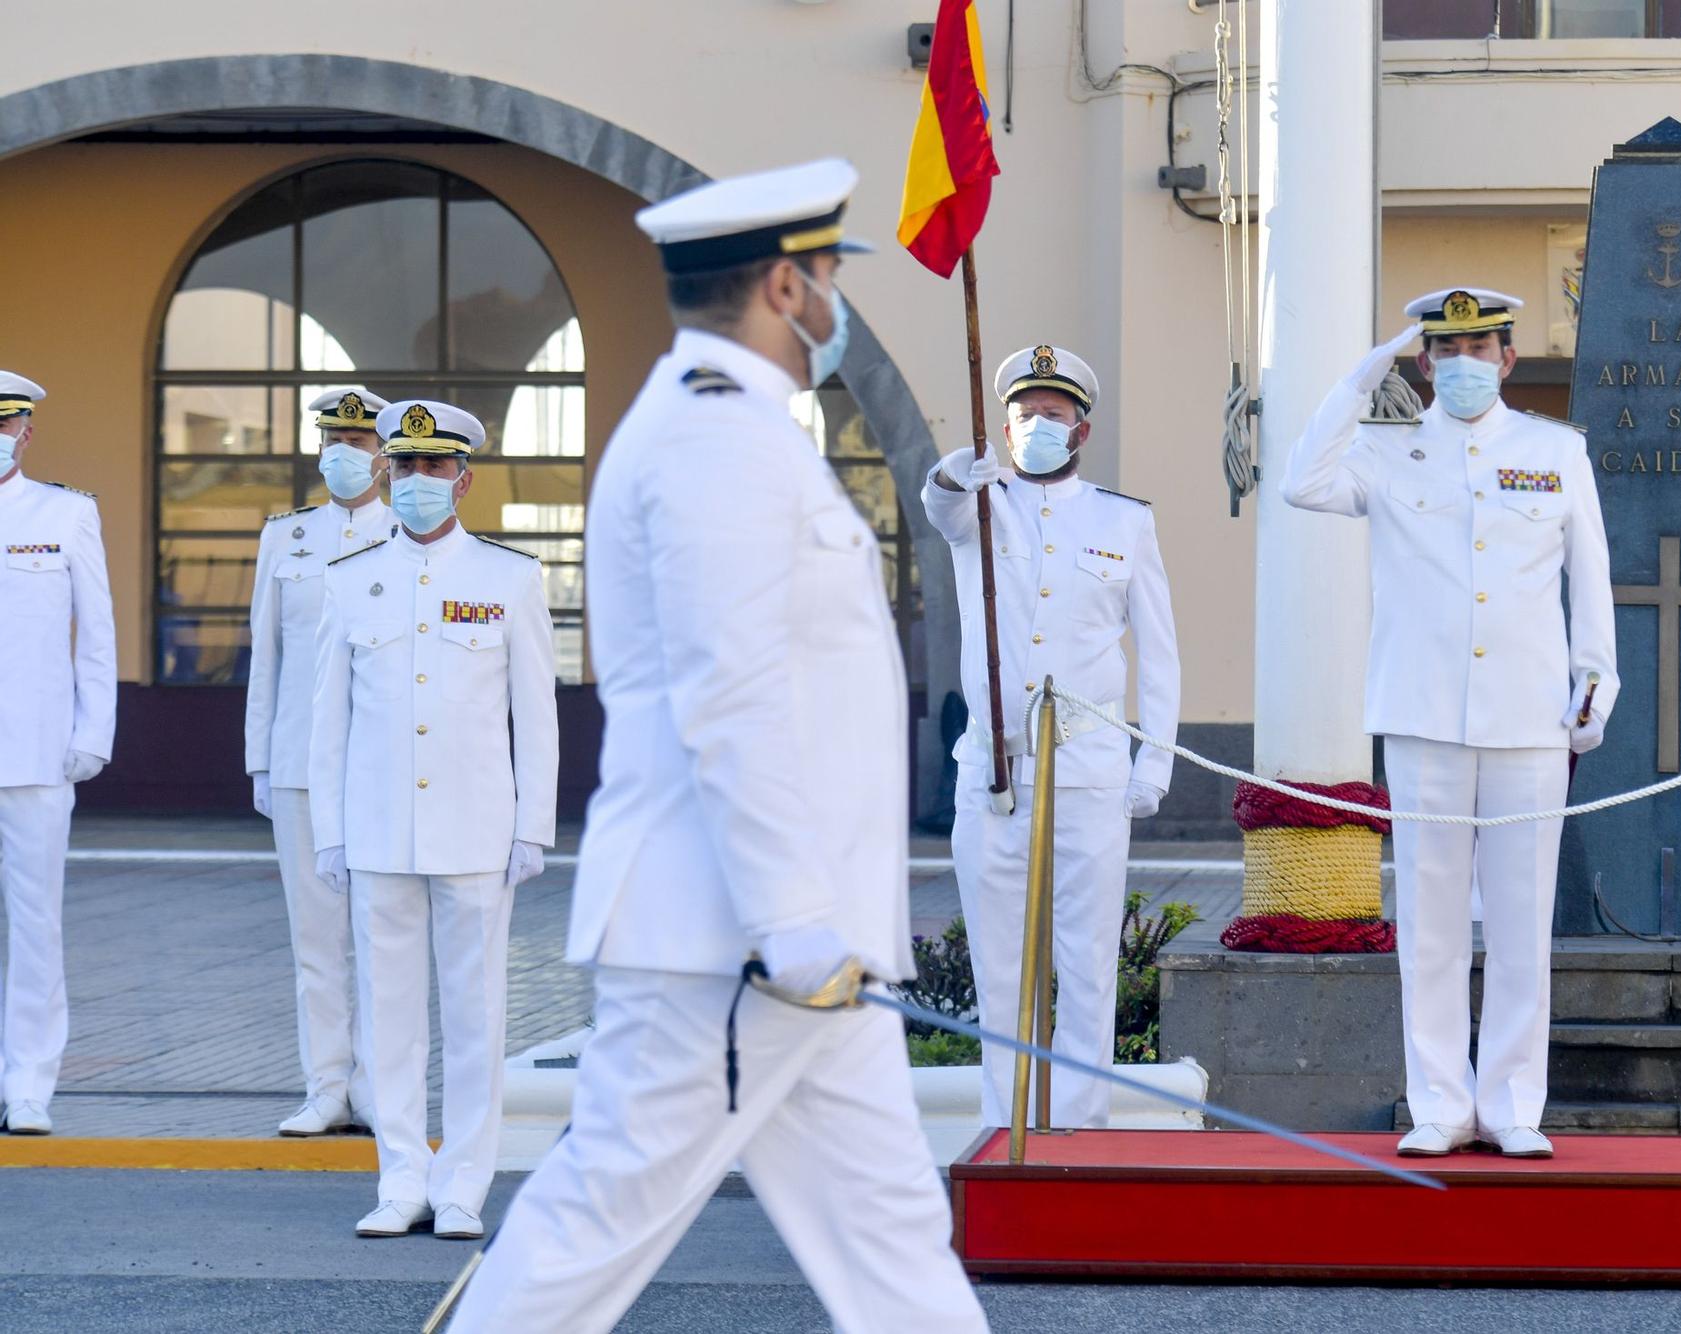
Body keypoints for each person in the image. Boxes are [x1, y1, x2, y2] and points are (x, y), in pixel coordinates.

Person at [444, 158, 986, 1333]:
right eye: (832, 273)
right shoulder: (715, 438)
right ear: (787, 287)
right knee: (598, 1215)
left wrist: (818, 923)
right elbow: (730, 693)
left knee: (890, 1231)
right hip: (734, 939)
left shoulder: (739, 428)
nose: (841, 300)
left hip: (791, 940)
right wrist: (790, 919)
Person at [1280, 288, 1618, 1159]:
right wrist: (1361, 377)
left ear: (1509, 358)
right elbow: (1300, 482)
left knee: (1518, 925)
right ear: (1423, 361)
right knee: (1428, 924)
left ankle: (1512, 1106)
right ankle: (1439, 1103)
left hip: (1527, 716)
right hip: (1423, 714)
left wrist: (1596, 681)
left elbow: (1591, 575)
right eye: (1447, 348)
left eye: (1481, 347)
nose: (1465, 363)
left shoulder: (1556, 450)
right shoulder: (1387, 453)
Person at [309, 398, 558, 1238]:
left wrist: (534, 827)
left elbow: (538, 715)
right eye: (405, 466)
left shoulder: (509, 577)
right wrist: (331, 833)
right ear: (389, 471)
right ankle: (402, 1181)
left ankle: (463, 1188)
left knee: (475, 1014)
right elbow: (327, 721)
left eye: (434, 466)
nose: (418, 480)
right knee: (389, 1022)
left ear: (465, 478)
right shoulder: (347, 582)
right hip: (379, 832)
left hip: (476, 831)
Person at [924, 344, 1180, 1129]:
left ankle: (1077, 1127)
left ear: (1083, 430)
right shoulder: (979, 505)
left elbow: (1159, 649)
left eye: (1054, 415)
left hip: (1090, 768)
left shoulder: (1123, 520)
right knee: (1001, 968)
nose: (1038, 425)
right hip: (995, 773)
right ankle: (1007, 1128)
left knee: (1087, 960)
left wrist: (1155, 763)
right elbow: (937, 502)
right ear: (1002, 428)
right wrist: (949, 471)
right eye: (1025, 415)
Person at [246, 387, 394, 1137]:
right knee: (315, 938)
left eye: (360, 442)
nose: (344, 453)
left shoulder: (408, 534)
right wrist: (260, 763)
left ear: (384, 454)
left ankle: (375, 1087)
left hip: (379, 767)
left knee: (379, 934)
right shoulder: (287, 537)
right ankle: (325, 1086)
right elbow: (264, 657)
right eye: (334, 439)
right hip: (300, 762)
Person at [0, 371, 114, 1137]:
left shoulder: (65, 515)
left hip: (35, 754)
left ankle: (29, 1084)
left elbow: (97, 636)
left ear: (25, 432)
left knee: (36, 924)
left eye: (4, 424)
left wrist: (90, 737)